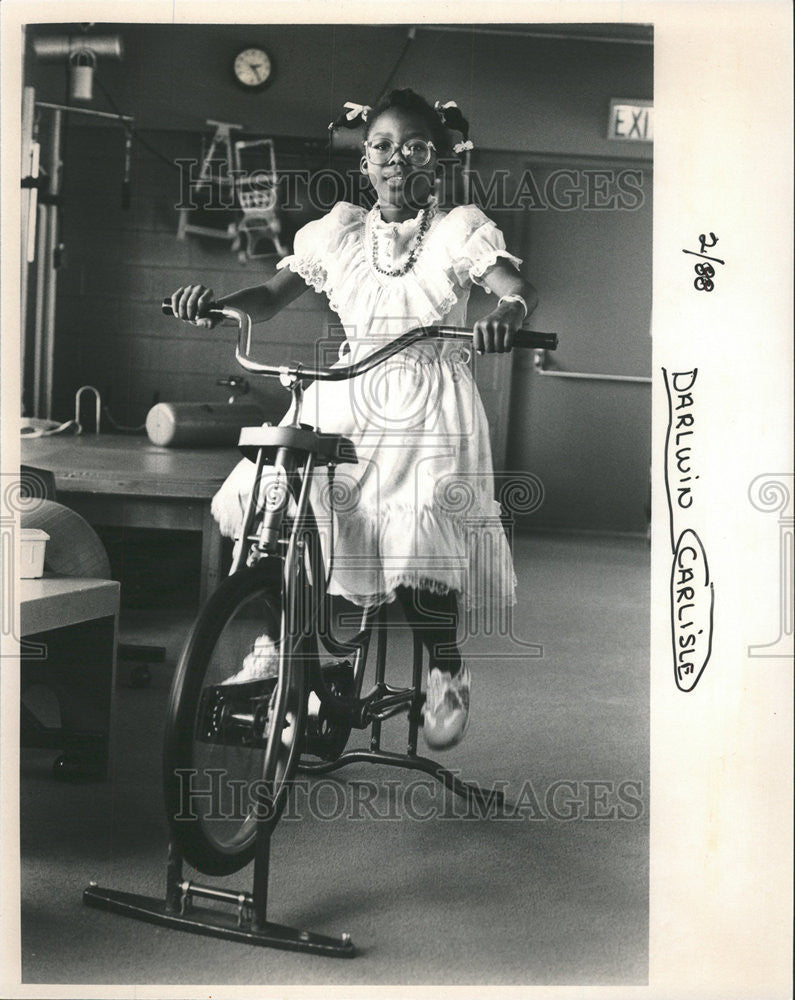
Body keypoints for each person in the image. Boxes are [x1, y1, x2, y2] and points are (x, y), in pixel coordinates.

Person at [170, 88, 538, 750]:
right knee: (286, 511)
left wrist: (504, 318)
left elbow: (514, 286)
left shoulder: (457, 230)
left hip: (427, 401)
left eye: (416, 148)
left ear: (441, 161)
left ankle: (445, 671)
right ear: (364, 160)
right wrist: (216, 305)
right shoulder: (335, 232)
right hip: (347, 388)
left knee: (416, 549)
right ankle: (286, 649)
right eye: (383, 147)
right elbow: (269, 297)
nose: (397, 160)